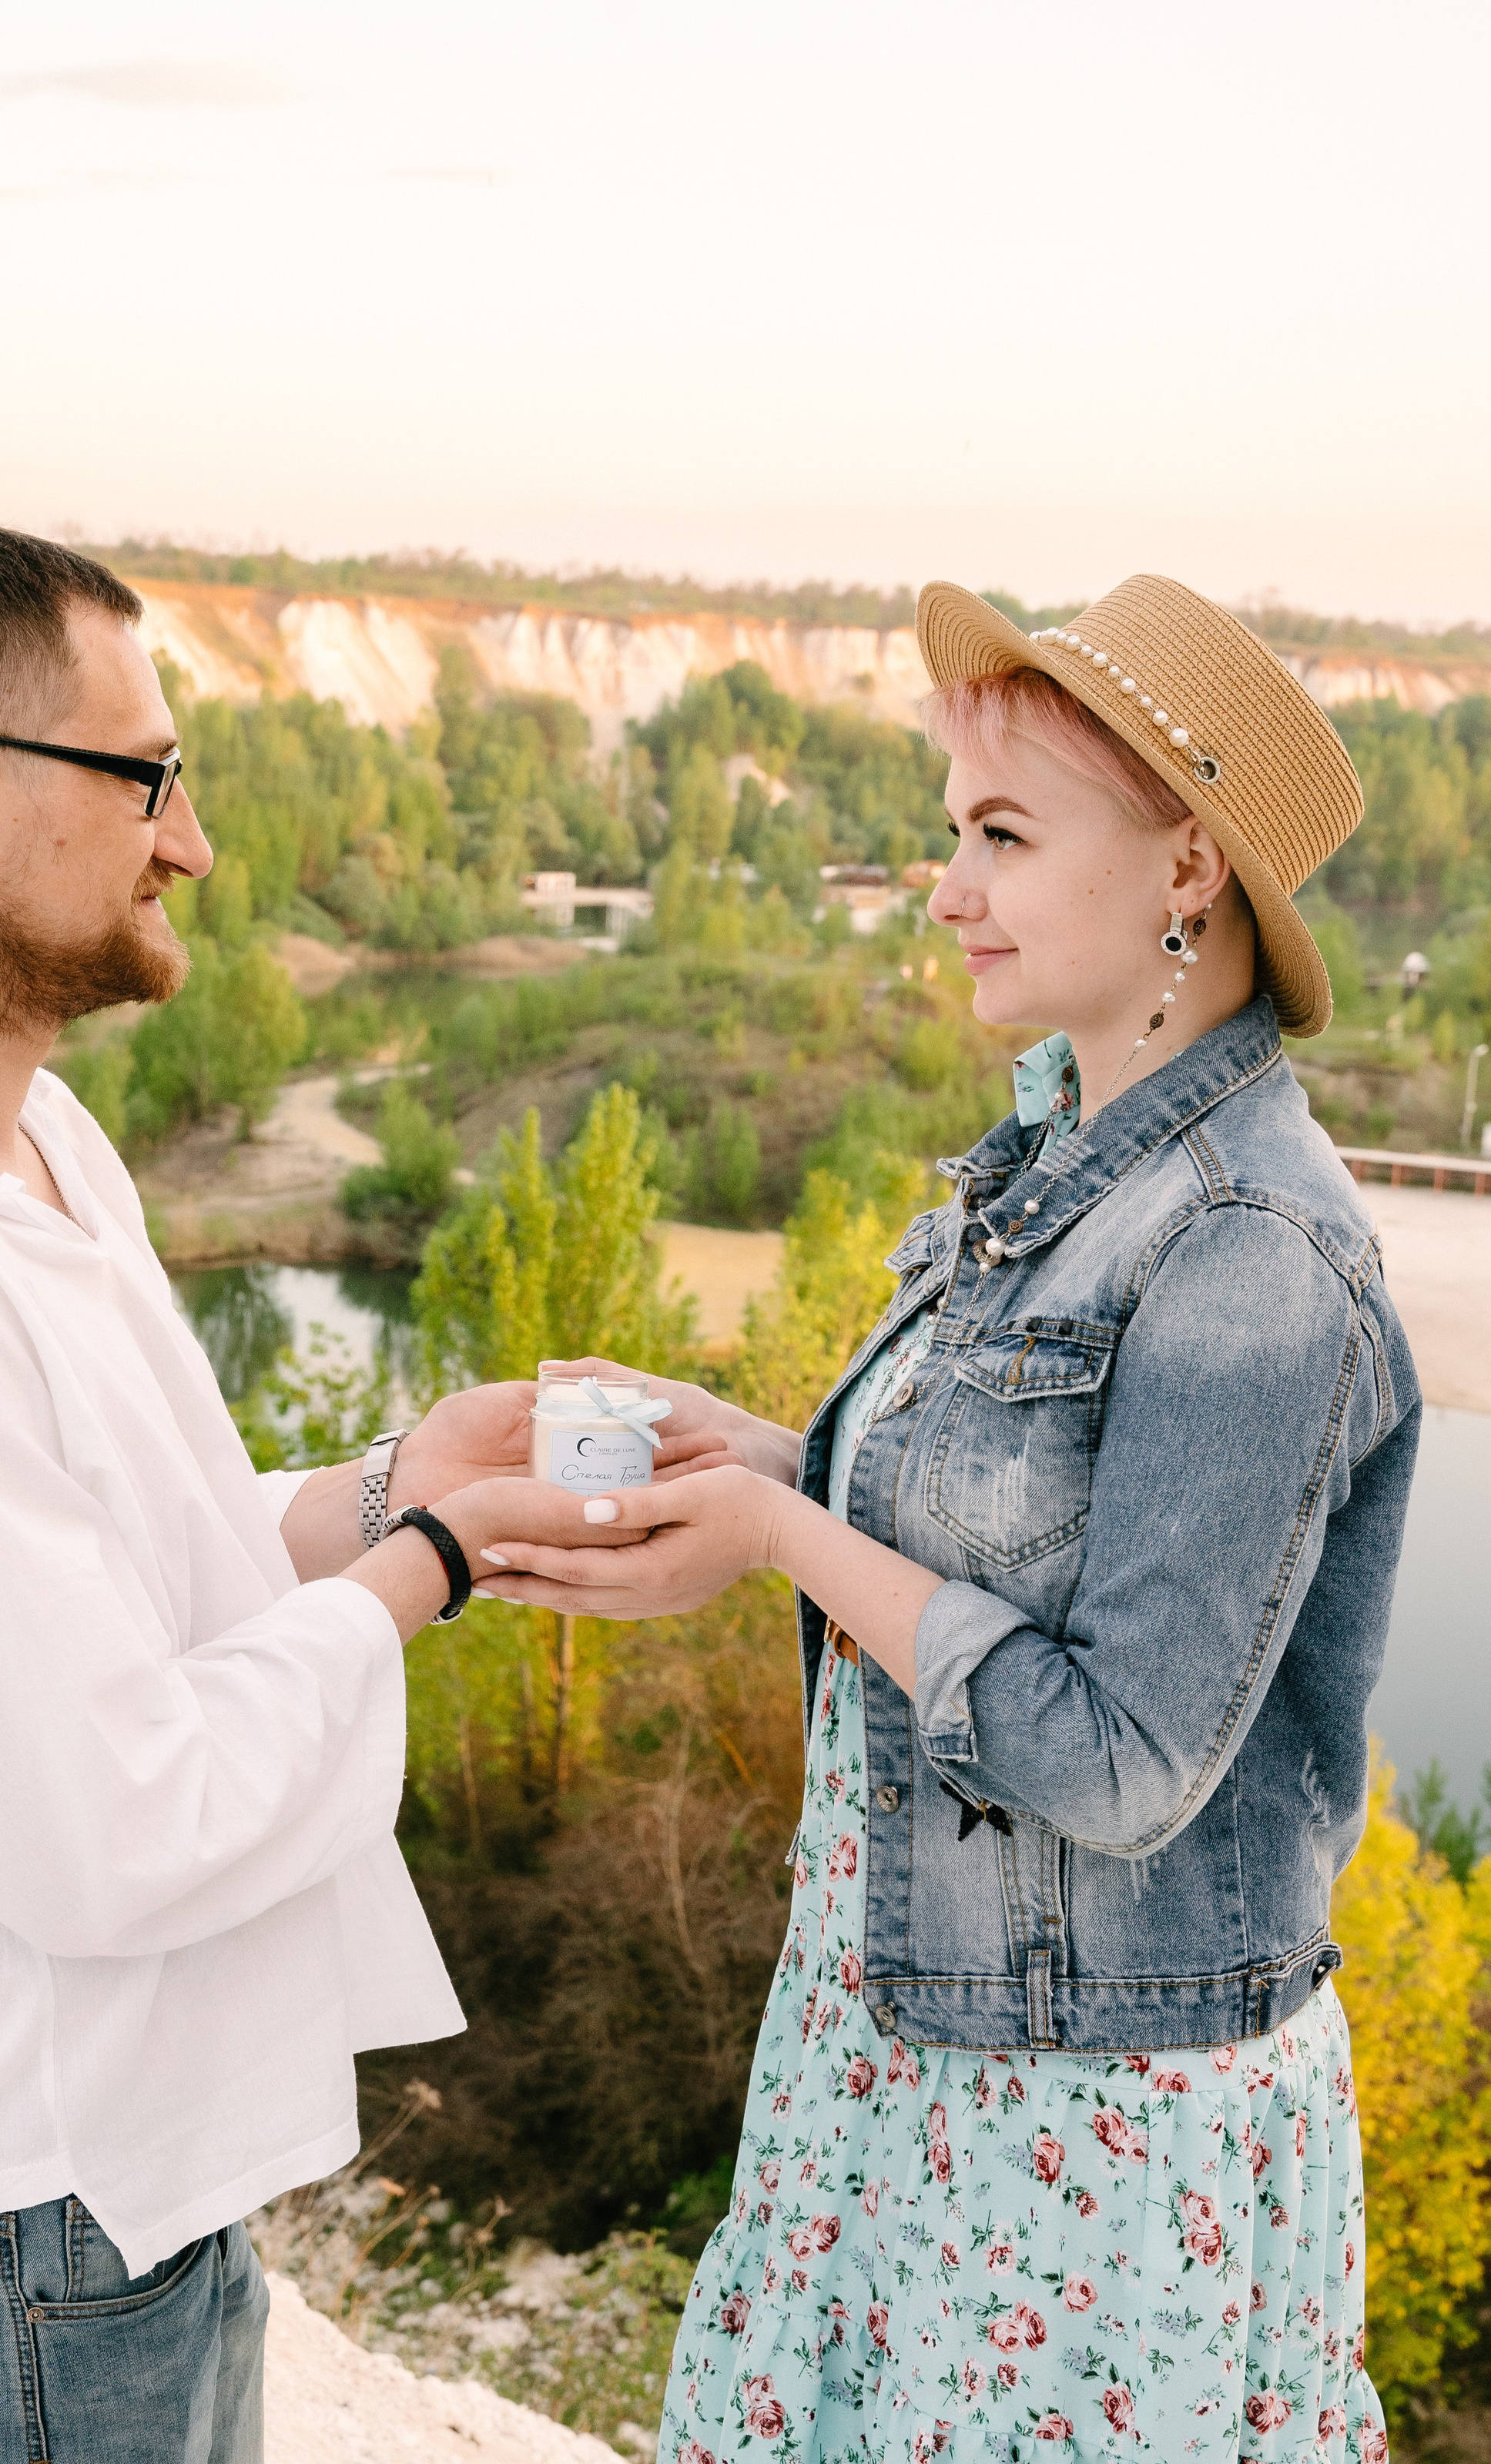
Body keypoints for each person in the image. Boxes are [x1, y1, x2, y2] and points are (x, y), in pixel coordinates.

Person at [0, 523, 637, 2463]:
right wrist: (431, 1566)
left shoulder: (26, 1143)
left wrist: (395, 1478)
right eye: (150, 775)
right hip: (0, 2258)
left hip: (113, 2222)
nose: (190, 841)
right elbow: (106, 1822)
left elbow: (136, 1561)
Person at [479, 576, 1417, 2463]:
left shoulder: (1251, 1253)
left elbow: (1125, 1752)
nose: (943, 886)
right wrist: (746, 1449)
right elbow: (987, 1533)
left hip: (1087, 2152)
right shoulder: (1063, 1158)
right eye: (948, 834)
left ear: (1183, 871)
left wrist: (775, 1531)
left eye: (998, 835)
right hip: (901, 2058)